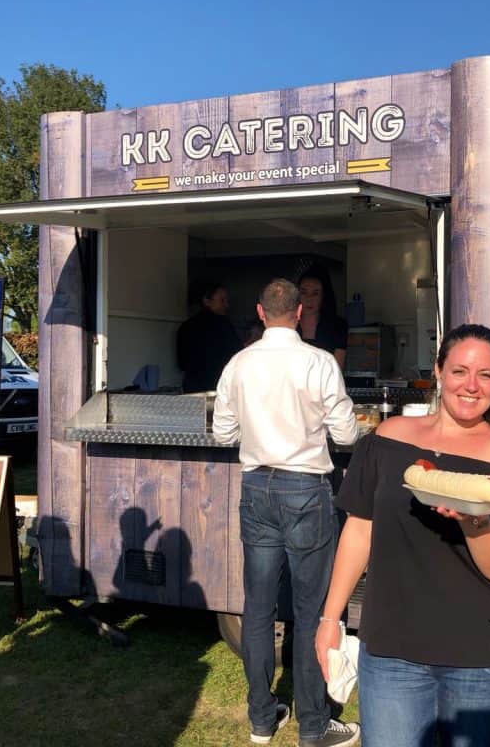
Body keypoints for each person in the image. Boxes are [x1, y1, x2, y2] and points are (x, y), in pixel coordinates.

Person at [316, 323, 490, 747]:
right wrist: (330, 619)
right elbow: (359, 530)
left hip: (483, 656)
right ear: (438, 370)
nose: (471, 386)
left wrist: (474, 521)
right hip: (393, 651)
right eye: (460, 371)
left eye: (486, 375)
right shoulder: (387, 440)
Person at [212, 278, 361, 747]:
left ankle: (261, 719)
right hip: (306, 489)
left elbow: (222, 433)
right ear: (298, 313)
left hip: (256, 486)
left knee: (258, 608)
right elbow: (347, 435)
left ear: (260, 312)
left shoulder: (239, 363)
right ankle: (313, 726)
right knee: (313, 610)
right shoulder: (319, 362)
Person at [176, 280, 243, 393]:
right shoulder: (223, 324)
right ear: (206, 301)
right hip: (218, 387)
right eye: (222, 300)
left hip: (192, 388)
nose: (226, 305)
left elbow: (182, 364)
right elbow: (237, 354)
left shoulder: (185, 326)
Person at [297, 267, 348, 370]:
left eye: (315, 293)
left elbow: (336, 371)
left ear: (323, 296)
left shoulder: (338, 326)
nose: (309, 299)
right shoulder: (287, 324)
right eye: (304, 292)